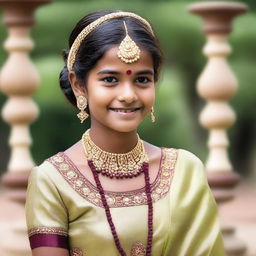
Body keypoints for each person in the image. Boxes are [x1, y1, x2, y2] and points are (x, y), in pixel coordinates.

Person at [25, 9, 225, 256]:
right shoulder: (52, 180)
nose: (128, 95)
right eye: (110, 80)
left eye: (142, 80)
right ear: (79, 85)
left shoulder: (185, 170)